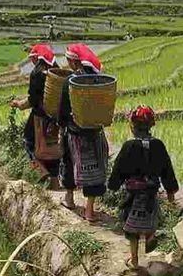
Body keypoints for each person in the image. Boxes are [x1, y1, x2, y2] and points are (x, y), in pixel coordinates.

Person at [108, 105, 179, 268]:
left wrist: (113, 185)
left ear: (132, 126)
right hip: (151, 194)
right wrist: (170, 194)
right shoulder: (158, 145)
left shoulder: (129, 146)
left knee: (131, 230)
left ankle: (134, 259)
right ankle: (150, 236)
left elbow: (118, 169)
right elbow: (167, 170)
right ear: (151, 125)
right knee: (152, 220)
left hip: (133, 195)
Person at [58, 43, 109, 222]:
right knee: (95, 166)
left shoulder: (71, 82)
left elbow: (63, 109)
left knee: (69, 162)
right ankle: (89, 210)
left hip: (75, 132)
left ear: (74, 61)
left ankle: (70, 199)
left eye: (68, 60)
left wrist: (61, 125)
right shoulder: (99, 81)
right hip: (94, 132)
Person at [10, 44, 61, 189]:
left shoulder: (37, 73)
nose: (32, 61)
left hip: (40, 116)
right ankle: (55, 182)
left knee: (29, 140)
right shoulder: (57, 70)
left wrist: (19, 104)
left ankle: (40, 170)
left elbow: (32, 100)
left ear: (38, 58)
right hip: (55, 118)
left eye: (33, 58)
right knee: (52, 146)